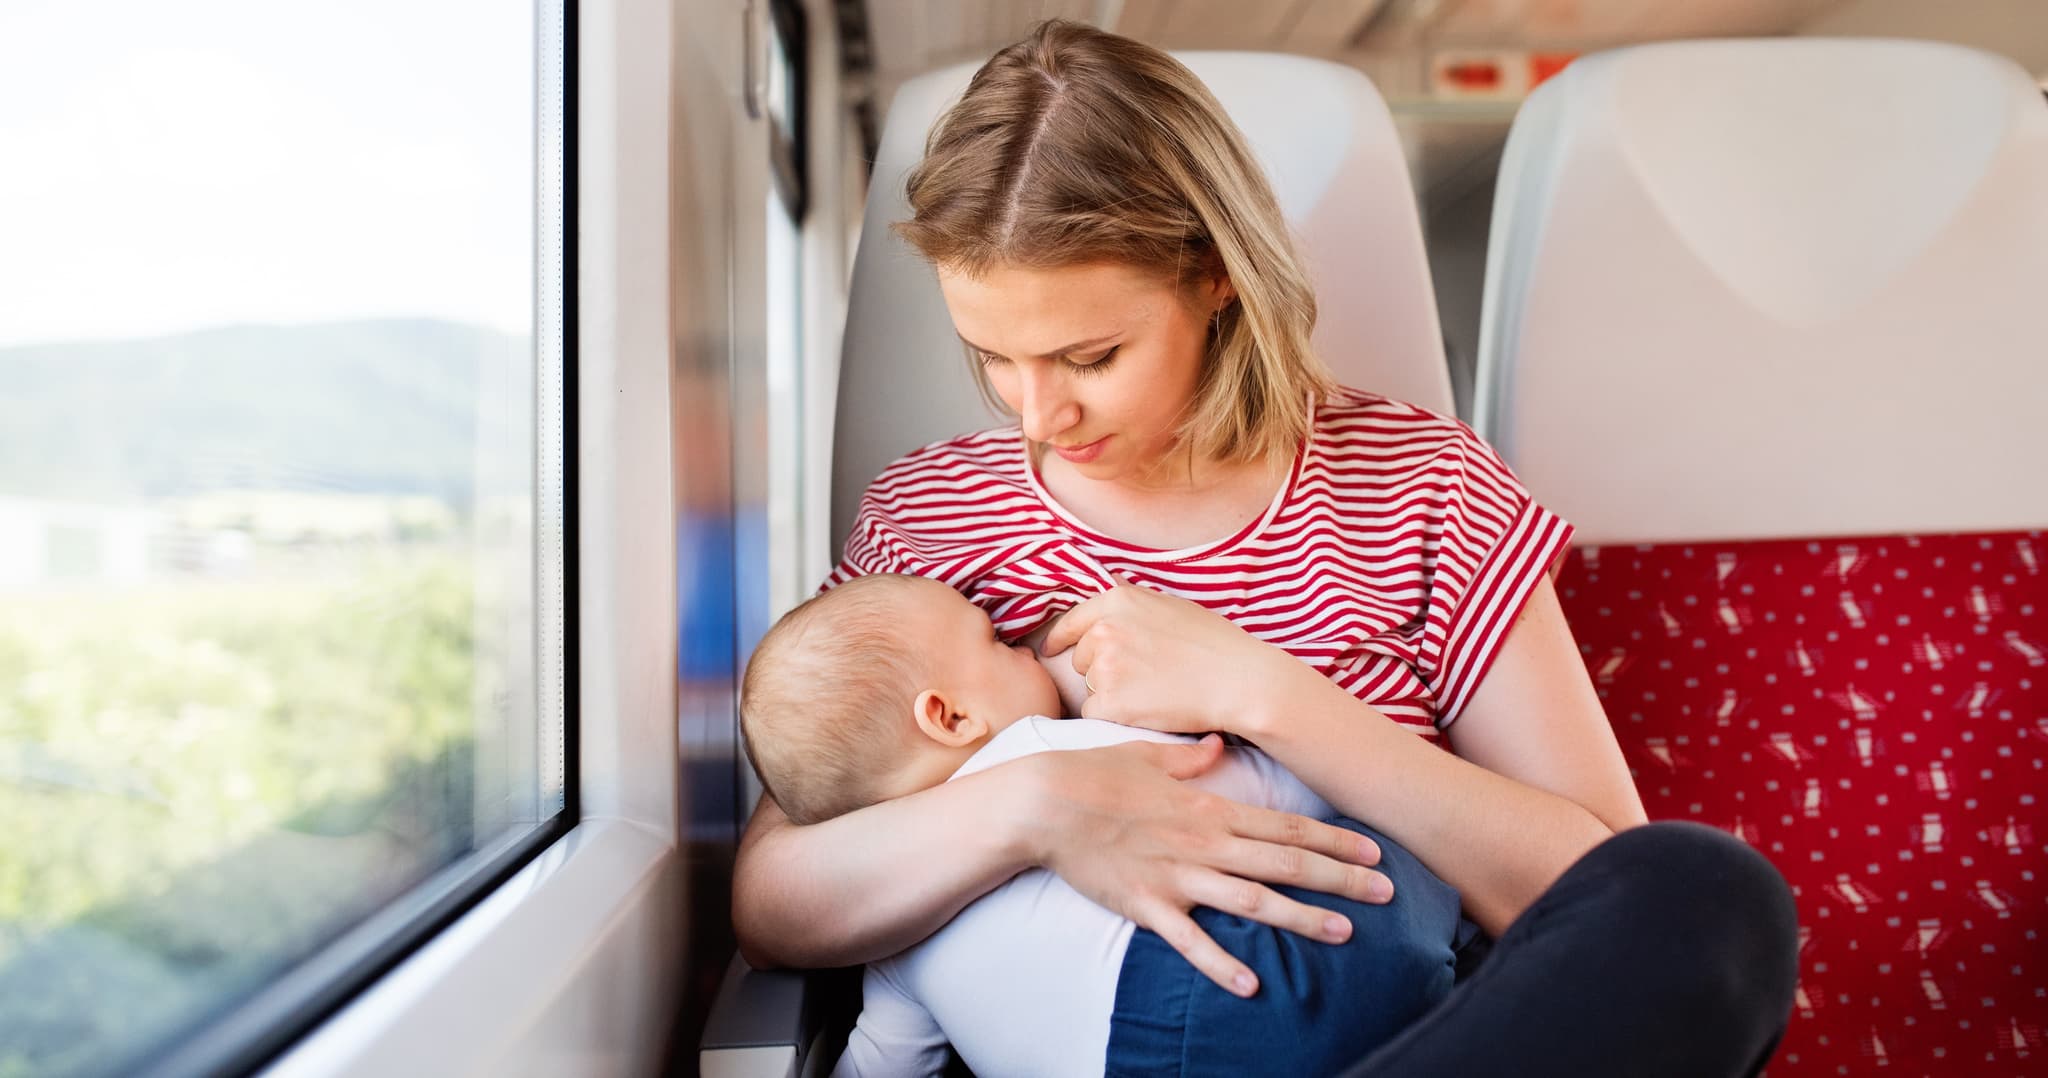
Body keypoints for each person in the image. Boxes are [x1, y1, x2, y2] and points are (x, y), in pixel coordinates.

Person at [734, 19, 1799, 1076]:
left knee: (1708, 897)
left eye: (1088, 356)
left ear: (1215, 275)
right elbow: (774, 898)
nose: (1035, 415)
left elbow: (1597, 892)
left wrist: (1267, 698)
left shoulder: (1421, 485)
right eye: (992, 358)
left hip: (1427, 1035)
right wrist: (1033, 806)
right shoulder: (934, 516)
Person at [740, 572, 1467, 1075]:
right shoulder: (1045, 745)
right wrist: (1321, 776)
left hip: (1113, 1061)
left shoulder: (891, 926)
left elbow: (884, 1061)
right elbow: (1251, 797)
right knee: (1388, 858)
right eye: (994, 641)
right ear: (952, 716)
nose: (1021, 643)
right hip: (1241, 988)